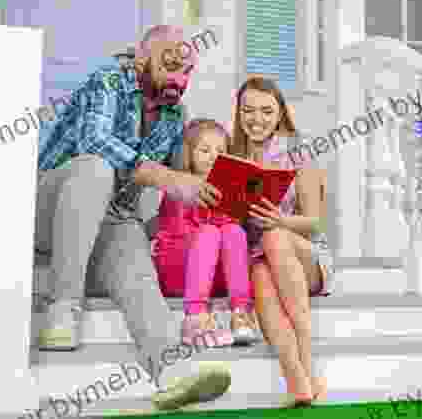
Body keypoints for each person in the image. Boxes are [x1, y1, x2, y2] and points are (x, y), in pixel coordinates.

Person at [33, 24, 231, 411]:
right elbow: (95, 142)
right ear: (141, 58)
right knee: (95, 169)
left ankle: (172, 372)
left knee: (136, 264)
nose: (179, 77)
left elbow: (183, 181)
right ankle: (63, 305)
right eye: (171, 65)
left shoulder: (175, 116)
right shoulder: (107, 81)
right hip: (53, 205)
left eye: (187, 71)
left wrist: (225, 189)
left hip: (113, 216)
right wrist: (169, 177)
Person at [230, 76, 335, 406]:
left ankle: (306, 356)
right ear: (238, 113)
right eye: (248, 110)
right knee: (260, 274)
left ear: (280, 114)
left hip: (308, 257)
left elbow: (314, 222)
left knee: (274, 238)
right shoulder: (232, 155)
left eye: (266, 111)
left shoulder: (298, 151)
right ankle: (297, 381)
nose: (256, 119)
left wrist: (279, 221)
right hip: (262, 257)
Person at [152, 118, 259, 348]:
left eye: (220, 151)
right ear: (189, 154)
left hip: (214, 276)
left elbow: (231, 240)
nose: (213, 156)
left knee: (234, 231)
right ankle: (195, 316)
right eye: (205, 150)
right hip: (179, 270)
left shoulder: (227, 189)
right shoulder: (179, 188)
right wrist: (210, 225)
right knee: (210, 232)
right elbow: (176, 237)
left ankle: (241, 311)